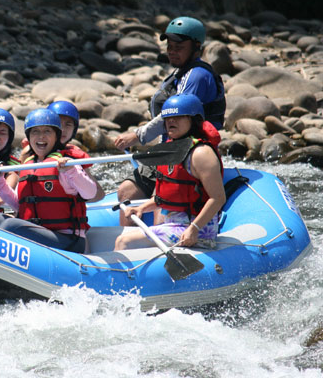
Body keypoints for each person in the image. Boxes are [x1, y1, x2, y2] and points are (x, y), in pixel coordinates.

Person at [113, 16, 225, 225]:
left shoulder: (197, 76)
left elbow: (173, 113)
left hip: (186, 154)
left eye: (179, 47)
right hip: (169, 150)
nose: (172, 51)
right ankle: (126, 250)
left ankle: (159, 246)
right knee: (126, 191)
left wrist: (137, 136)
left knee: (165, 203)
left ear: (196, 47)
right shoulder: (179, 73)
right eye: (169, 46)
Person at [114, 94, 225, 250]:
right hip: (173, 224)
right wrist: (141, 208)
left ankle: (118, 275)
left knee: (123, 241)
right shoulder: (171, 149)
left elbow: (218, 198)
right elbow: (165, 198)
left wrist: (194, 228)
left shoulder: (201, 153)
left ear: (193, 120)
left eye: (178, 117)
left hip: (198, 229)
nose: (171, 121)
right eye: (168, 118)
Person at [0, 108, 98, 253]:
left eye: (47, 132)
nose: (41, 137)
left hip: (68, 240)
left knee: (11, 227)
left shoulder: (65, 165)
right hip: (38, 231)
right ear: (29, 137)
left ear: (56, 136)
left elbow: (90, 193)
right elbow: (19, 205)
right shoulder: (28, 165)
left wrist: (72, 171)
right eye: (35, 132)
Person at [47, 100, 105, 203]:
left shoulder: (75, 156)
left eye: (68, 125)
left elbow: (99, 194)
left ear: (74, 130)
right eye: (58, 124)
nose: (63, 130)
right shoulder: (31, 152)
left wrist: (76, 197)